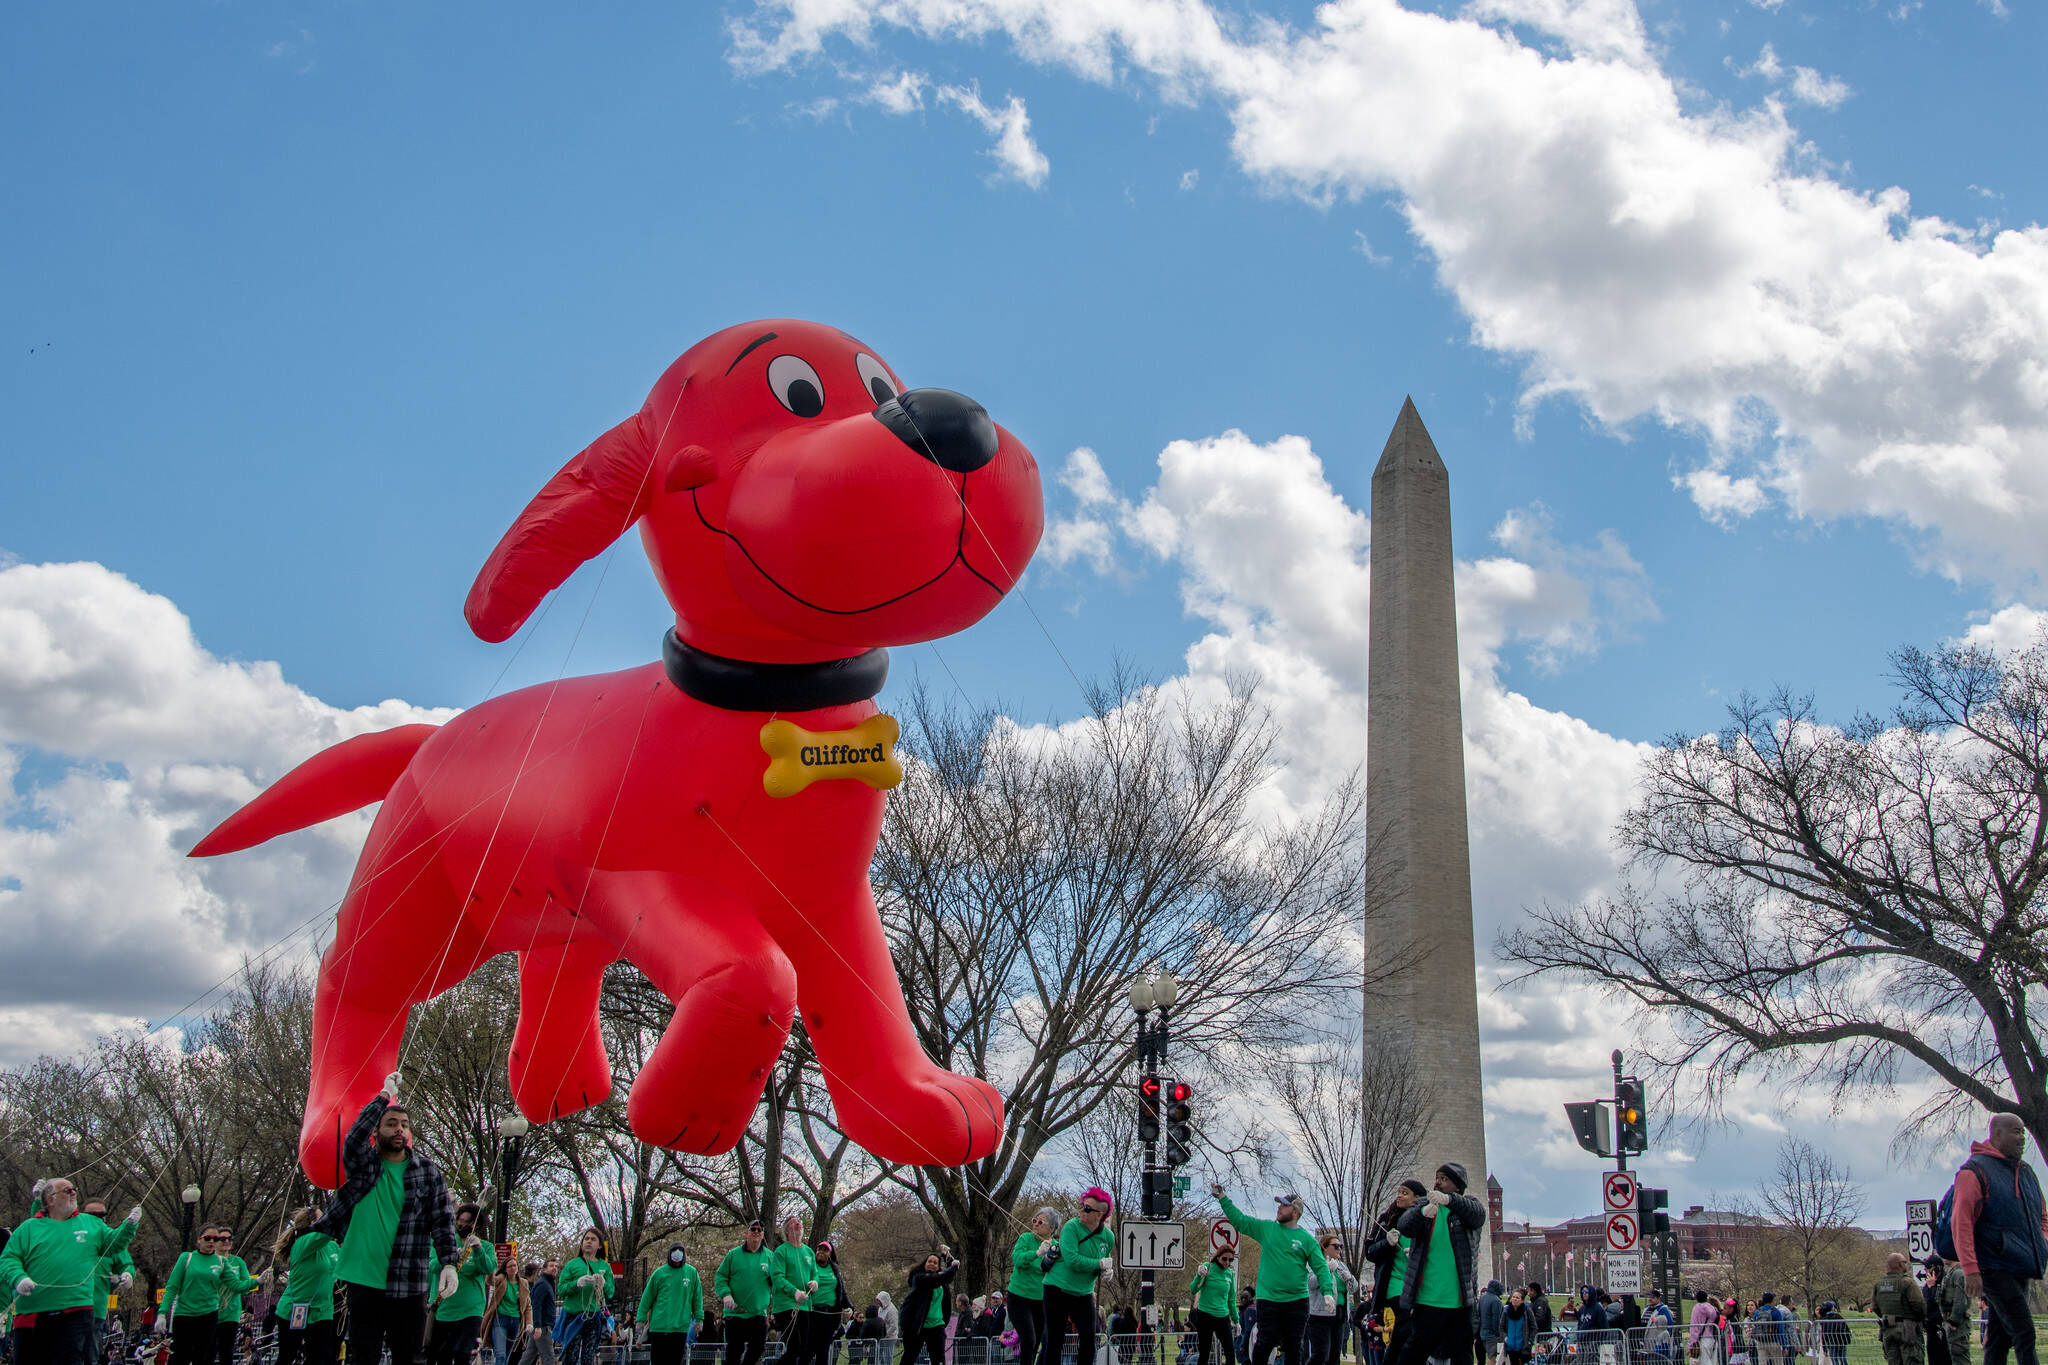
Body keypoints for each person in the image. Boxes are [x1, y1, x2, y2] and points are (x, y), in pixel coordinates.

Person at [312, 1077, 459, 1365]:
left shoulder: (428, 1172)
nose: (399, 1129)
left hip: (409, 1279)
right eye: (391, 1123)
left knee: (409, 1356)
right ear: (376, 1130)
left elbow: (443, 1220)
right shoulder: (365, 1164)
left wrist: (449, 1263)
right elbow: (353, 1138)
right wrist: (383, 1097)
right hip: (363, 1279)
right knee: (363, 1355)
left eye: (404, 1125)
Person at [2, 1180, 140, 1365]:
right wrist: (18, 1278)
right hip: (32, 1314)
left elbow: (114, 1244)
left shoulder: (91, 1224)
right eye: (67, 1191)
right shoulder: (29, 1227)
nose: (74, 1193)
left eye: (74, 1189)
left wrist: (129, 1225)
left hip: (75, 1310)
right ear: (51, 1199)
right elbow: (8, 1258)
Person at [1953, 1114, 2046, 1365]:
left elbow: (2042, 1216)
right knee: (2024, 1331)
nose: (2022, 1138)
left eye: (2023, 1133)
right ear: (1997, 1134)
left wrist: (2041, 1243)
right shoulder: (1974, 1171)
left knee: (1999, 1338)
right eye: (2016, 1132)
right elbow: (1961, 1222)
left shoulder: (2025, 1172)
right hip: (1992, 1267)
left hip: (2020, 1266)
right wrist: (1971, 1270)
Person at [1211, 1187, 1331, 1365]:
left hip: (1297, 1302)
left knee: (1294, 1347)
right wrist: (1222, 1198)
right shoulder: (1267, 1229)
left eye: (1284, 1205)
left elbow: (1321, 1267)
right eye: (1279, 1204)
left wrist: (1327, 1291)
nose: (1279, 1208)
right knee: (1265, 1343)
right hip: (1269, 1301)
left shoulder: (1306, 1239)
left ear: (1296, 1211)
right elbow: (1240, 1221)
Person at [1385, 1167, 1483, 1365]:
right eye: (1437, 1178)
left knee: (1462, 1357)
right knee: (1411, 1355)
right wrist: (1422, 1212)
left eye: (1444, 1179)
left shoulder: (1468, 1206)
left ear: (1457, 1186)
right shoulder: (1423, 1205)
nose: (1437, 1183)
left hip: (1459, 1302)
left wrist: (1450, 1200)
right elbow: (1405, 1225)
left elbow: (1478, 1215)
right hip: (1427, 1301)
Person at [1038, 1189, 1115, 1365]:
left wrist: (1106, 1271)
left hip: (1083, 1293)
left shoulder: (1108, 1237)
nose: (1081, 1210)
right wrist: (1099, 1264)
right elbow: (1073, 1260)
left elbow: (1104, 1259)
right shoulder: (1071, 1227)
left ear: (1099, 1215)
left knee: (1089, 1339)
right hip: (1057, 1289)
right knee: (1055, 1339)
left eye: (1087, 1209)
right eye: (1081, 1206)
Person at [427, 1206, 497, 1365]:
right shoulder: (445, 1242)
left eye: (467, 1222)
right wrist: (449, 1258)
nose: (462, 1225)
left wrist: (478, 1250)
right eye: (460, 1221)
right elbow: (432, 1266)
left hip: (471, 1309)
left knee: (461, 1353)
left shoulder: (486, 1247)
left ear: (476, 1225)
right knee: (442, 1355)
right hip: (445, 1308)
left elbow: (488, 1268)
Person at [269, 1209, 339, 1365]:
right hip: (293, 1310)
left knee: (320, 1358)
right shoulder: (302, 1244)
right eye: (323, 1217)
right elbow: (330, 1228)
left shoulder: (331, 1247)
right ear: (312, 1224)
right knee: (287, 1356)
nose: (326, 1219)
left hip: (322, 1311)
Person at [1362, 1186, 1422, 1365]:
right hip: (1394, 1284)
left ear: (1417, 1198)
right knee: (1404, 1327)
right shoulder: (1385, 1219)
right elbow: (1370, 1252)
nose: (1399, 1196)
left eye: (1405, 1192)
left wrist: (1418, 1253)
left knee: (1408, 1335)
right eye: (1399, 1192)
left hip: (1417, 1285)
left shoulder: (1424, 1221)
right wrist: (1386, 1243)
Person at [77, 1199, 136, 1365]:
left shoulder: (111, 1242)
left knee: (90, 1357)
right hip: (68, 1309)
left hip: (95, 1311)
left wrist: (126, 1275)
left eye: (101, 1215)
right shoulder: (73, 1239)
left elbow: (127, 1264)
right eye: (92, 1215)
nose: (97, 1219)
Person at [718, 1222, 777, 1365]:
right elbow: (721, 1277)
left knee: (758, 1348)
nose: (756, 1232)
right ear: (746, 1233)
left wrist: (775, 1309)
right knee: (734, 1353)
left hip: (758, 1314)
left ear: (763, 1235)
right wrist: (726, 1295)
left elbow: (777, 1282)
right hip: (735, 1314)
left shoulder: (770, 1257)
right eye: (753, 1229)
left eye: (759, 1230)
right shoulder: (733, 1255)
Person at [1008, 1209, 1060, 1365]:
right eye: (1034, 1220)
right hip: (1018, 1298)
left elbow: (1062, 1268)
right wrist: (1037, 1253)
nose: (1036, 1224)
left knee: (1036, 1342)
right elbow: (1016, 1259)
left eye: (1041, 1222)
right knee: (1028, 1339)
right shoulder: (1025, 1238)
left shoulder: (1056, 1246)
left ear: (1051, 1228)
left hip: (1041, 1301)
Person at [556, 1229, 613, 1365]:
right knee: (571, 1356)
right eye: (586, 1239)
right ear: (582, 1243)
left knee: (589, 1357)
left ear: (599, 1246)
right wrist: (576, 1283)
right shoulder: (572, 1264)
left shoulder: (604, 1266)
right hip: (574, 1316)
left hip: (593, 1316)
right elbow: (561, 1289)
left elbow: (610, 1292)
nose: (589, 1241)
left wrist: (603, 1284)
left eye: (593, 1239)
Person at [641, 1246, 703, 1365]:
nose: (677, 1255)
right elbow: (646, 1298)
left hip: (679, 1328)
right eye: (674, 1252)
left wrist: (699, 1319)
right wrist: (641, 1319)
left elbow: (697, 1299)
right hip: (659, 1328)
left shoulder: (692, 1273)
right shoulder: (659, 1273)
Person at [794, 1242, 851, 1365]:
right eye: (819, 1249)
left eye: (825, 1250)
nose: (821, 1252)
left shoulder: (834, 1269)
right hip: (812, 1313)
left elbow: (841, 1291)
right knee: (808, 1350)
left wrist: (849, 1307)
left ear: (829, 1254)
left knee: (823, 1351)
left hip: (829, 1315)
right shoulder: (810, 1266)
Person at [898, 1250, 957, 1365]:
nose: (932, 1264)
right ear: (924, 1264)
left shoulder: (941, 1281)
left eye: (935, 1263)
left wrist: (947, 1257)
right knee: (909, 1357)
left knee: (939, 1359)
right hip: (918, 1325)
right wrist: (953, 1267)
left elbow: (947, 1277)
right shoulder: (919, 1278)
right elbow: (937, 1279)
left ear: (938, 1267)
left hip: (937, 1325)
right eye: (929, 1261)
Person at [772, 1218, 820, 1355]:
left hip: (806, 1305)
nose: (798, 1223)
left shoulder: (809, 1251)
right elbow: (777, 1277)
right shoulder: (781, 1251)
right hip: (787, 1306)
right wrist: (794, 1292)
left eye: (799, 1221)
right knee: (794, 1347)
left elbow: (815, 1273)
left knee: (806, 1349)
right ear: (787, 1231)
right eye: (793, 1223)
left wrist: (815, 1282)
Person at [1310, 1237, 1358, 1365]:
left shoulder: (1341, 1265)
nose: (1340, 1249)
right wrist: (1326, 1269)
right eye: (1336, 1246)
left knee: (1334, 1356)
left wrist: (1350, 1279)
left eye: (1341, 1246)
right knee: (1320, 1355)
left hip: (1340, 1315)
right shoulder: (1315, 1262)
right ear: (1325, 1247)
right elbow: (1310, 1283)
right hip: (1320, 1315)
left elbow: (1355, 1288)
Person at [1876, 1253, 1929, 1365]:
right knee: (1912, 1360)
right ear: (1900, 1264)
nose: (1906, 1264)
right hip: (1907, 1329)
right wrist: (1918, 1319)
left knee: (1893, 1360)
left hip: (1888, 1329)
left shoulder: (1879, 1284)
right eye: (1905, 1262)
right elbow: (1919, 1305)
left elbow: (1875, 1307)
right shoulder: (1907, 1282)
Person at [1190, 1247, 1240, 1365]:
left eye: (1230, 1260)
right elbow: (1193, 1289)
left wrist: (1236, 1320)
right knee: (1204, 1354)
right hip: (1205, 1315)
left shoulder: (1230, 1273)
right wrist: (1199, 1275)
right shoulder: (1208, 1267)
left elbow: (1231, 1299)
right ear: (1218, 1257)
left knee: (1230, 1354)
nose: (1227, 1262)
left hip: (1223, 1317)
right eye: (1224, 1259)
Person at [484, 1259, 530, 1365]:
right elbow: (490, 1281)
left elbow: (528, 1305)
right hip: (501, 1320)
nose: (513, 1268)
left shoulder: (523, 1283)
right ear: (505, 1269)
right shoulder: (501, 1279)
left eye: (515, 1265)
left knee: (508, 1355)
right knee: (500, 1354)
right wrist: (491, 1269)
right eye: (510, 1266)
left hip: (515, 1321)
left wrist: (529, 1323)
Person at [1930, 1257, 1973, 1365]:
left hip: (1957, 1326)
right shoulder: (1951, 1273)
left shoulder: (1958, 1274)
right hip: (1950, 1323)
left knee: (1960, 1358)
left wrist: (1954, 1321)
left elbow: (1960, 1300)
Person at [1688, 1290, 1722, 1365]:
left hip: (1703, 1339)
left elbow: (1694, 1327)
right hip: (1713, 1338)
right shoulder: (1714, 1309)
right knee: (1712, 1362)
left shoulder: (1697, 1309)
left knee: (1704, 1362)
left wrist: (1691, 1344)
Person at [1474, 1282, 1504, 1365]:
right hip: (1491, 1334)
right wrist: (1498, 1334)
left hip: (1482, 1333)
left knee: (1481, 1359)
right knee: (1492, 1357)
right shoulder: (1496, 1301)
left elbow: (1478, 1315)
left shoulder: (1482, 1298)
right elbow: (1496, 1319)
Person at [1501, 1291, 1531, 1365]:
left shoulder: (1527, 1310)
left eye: (1517, 1298)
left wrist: (1530, 1341)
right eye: (1513, 1297)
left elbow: (1534, 1326)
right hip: (1511, 1345)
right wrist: (1505, 1338)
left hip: (1523, 1346)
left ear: (1522, 1301)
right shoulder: (1506, 1311)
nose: (1515, 1299)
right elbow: (1501, 1327)